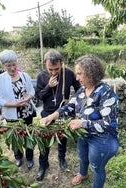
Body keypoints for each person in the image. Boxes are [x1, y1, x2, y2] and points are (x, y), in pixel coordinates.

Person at [40, 55, 120, 188]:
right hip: (83, 134)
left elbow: (109, 124)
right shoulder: (82, 91)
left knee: (97, 167)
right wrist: (51, 117)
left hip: (101, 139)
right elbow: (69, 106)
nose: (76, 78)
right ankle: (83, 173)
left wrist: (83, 123)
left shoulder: (106, 93)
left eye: (79, 74)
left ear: (91, 73)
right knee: (82, 156)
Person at [35, 49, 81, 181]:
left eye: (56, 69)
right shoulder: (41, 76)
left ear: (61, 63)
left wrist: (74, 104)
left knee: (62, 138)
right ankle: (43, 165)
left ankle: (62, 158)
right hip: (47, 113)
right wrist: (48, 86)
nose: (54, 72)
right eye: (50, 69)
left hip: (63, 112)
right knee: (44, 140)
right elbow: (39, 96)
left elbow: (80, 90)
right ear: (45, 64)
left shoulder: (69, 73)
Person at [0, 49, 35, 170]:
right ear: (3, 65)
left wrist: (26, 99)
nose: (12, 68)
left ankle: (30, 157)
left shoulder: (24, 76)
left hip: (27, 112)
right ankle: (18, 157)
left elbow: (31, 91)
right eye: (8, 66)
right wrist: (15, 105)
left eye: (14, 64)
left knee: (28, 136)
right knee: (15, 137)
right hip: (12, 115)